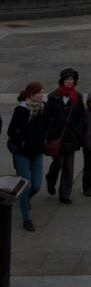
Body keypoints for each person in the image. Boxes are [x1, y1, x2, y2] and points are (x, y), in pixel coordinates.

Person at [6, 81, 46, 231]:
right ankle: (26, 218)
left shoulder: (43, 108)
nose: (41, 95)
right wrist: (20, 144)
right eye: (38, 93)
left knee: (36, 185)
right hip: (23, 153)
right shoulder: (21, 110)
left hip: (37, 152)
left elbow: (47, 126)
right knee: (25, 184)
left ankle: (25, 199)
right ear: (31, 95)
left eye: (42, 92)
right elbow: (11, 131)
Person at [44, 69, 86, 205]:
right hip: (57, 137)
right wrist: (50, 133)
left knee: (68, 167)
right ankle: (50, 180)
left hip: (71, 137)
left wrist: (78, 132)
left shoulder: (77, 97)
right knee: (58, 163)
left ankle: (65, 194)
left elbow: (81, 117)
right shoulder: (53, 97)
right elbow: (47, 117)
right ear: (62, 80)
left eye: (72, 79)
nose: (70, 81)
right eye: (67, 79)